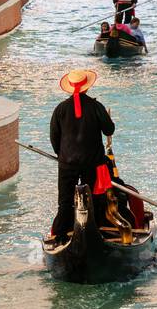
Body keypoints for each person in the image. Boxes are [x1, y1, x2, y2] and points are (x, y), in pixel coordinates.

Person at [48, 69, 115, 242]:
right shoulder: (96, 106)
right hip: (92, 163)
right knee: (95, 199)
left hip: (67, 164)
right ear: (86, 87)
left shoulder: (60, 109)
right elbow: (109, 130)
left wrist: (62, 155)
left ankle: (61, 235)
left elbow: (54, 137)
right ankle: (99, 230)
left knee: (65, 202)